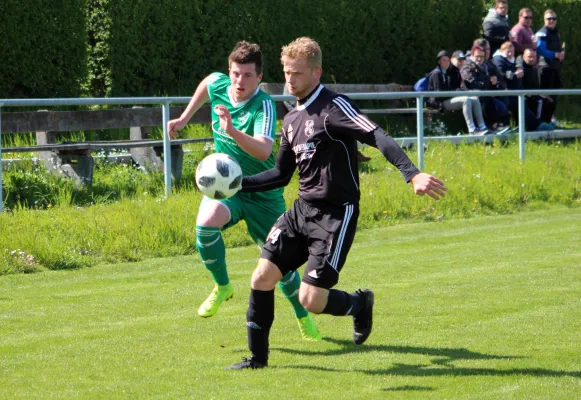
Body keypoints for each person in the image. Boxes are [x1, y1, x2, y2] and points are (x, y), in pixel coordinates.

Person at [227, 37, 446, 370]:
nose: (290, 80)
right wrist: (235, 185)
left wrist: (412, 174)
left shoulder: (333, 107)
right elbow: (279, 174)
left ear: (317, 73)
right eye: (286, 73)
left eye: (297, 73)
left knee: (310, 300)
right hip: (301, 211)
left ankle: (359, 305)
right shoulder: (291, 120)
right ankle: (257, 360)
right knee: (261, 276)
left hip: (334, 216)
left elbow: (376, 135)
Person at [167, 41, 321, 340]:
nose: (240, 82)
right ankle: (223, 286)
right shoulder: (220, 84)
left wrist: (231, 132)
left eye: (247, 75)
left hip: (263, 195)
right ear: (230, 71)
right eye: (236, 74)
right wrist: (184, 118)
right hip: (228, 189)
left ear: (260, 77)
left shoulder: (262, 104)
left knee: (282, 270)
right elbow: (208, 82)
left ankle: (303, 317)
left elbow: (264, 151)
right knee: (205, 227)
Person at [493, 42, 552, 131]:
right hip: (504, 92)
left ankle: (535, 124)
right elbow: (501, 74)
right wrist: (515, 75)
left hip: (515, 91)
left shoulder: (511, 60)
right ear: (501, 51)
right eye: (508, 51)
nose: (510, 54)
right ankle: (535, 126)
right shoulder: (499, 59)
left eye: (512, 52)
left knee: (535, 100)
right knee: (521, 102)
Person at [427, 50, 487, 134]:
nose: (446, 62)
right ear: (439, 61)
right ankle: (472, 129)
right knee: (466, 100)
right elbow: (439, 94)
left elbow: (454, 88)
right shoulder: (436, 74)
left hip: (450, 98)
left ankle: (482, 127)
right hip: (439, 103)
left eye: (448, 60)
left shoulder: (448, 73)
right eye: (444, 60)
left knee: (474, 98)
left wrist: (459, 92)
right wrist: (457, 93)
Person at [461, 44, 509, 131]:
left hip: (486, 95)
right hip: (471, 95)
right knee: (485, 101)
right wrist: (489, 82)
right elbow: (472, 82)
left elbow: (490, 81)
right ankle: (488, 128)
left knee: (502, 105)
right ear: (472, 55)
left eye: (482, 57)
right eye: (477, 56)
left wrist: (494, 83)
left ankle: (500, 127)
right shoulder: (466, 66)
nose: (479, 59)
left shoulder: (484, 66)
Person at [535, 9, 565, 124]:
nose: (552, 20)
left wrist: (561, 54)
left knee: (554, 95)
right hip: (545, 68)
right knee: (545, 96)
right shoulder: (541, 33)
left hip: (555, 68)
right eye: (549, 18)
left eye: (554, 18)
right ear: (544, 20)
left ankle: (550, 119)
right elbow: (540, 49)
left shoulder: (556, 32)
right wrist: (555, 54)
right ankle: (543, 121)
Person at [516, 48, 556, 122]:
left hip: (534, 93)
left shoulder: (534, 69)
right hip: (525, 95)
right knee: (539, 101)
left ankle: (547, 123)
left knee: (549, 100)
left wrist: (542, 94)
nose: (531, 59)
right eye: (529, 57)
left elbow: (535, 86)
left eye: (533, 57)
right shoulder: (520, 70)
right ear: (524, 57)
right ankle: (538, 124)